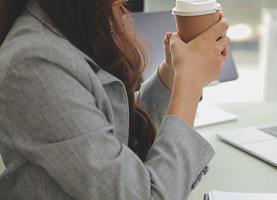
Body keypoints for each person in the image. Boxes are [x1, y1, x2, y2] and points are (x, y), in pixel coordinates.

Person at [0, 0, 230, 199]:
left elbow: (112, 135)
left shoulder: (73, 21)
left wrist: (171, 76)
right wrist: (189, 81)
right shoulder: (34, 65)